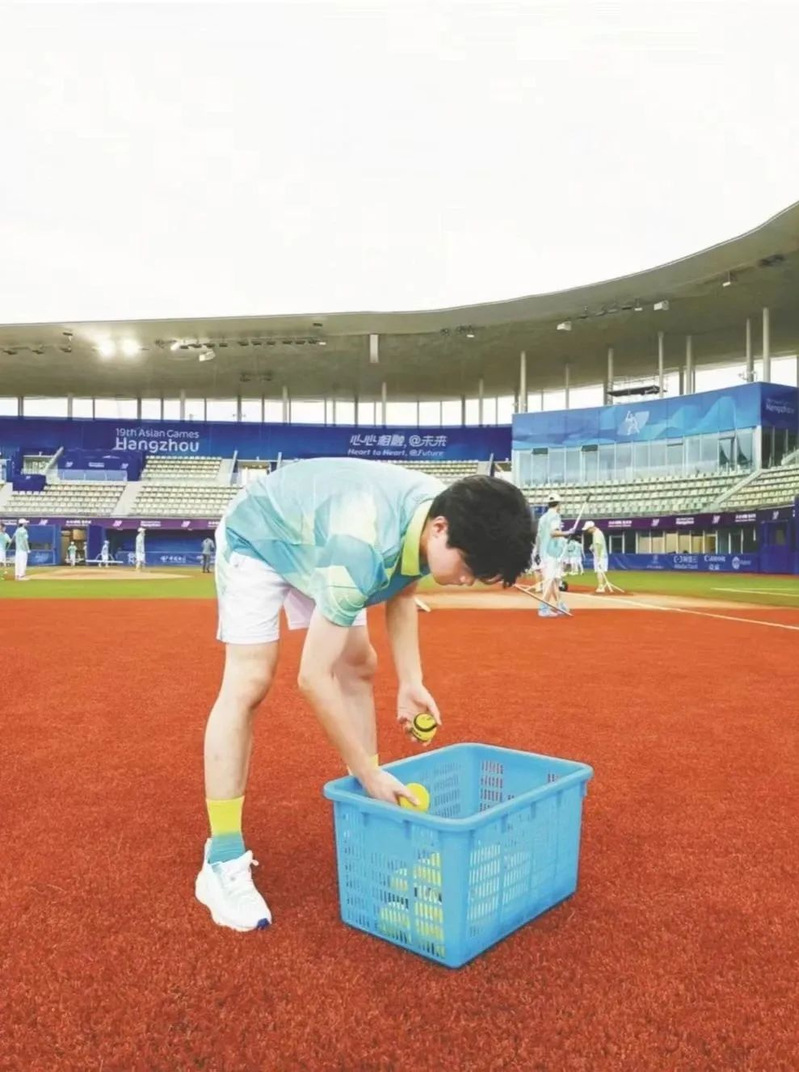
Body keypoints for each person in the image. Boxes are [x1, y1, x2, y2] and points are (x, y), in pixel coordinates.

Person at [195, 458, 535, 932]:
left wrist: (411, 681)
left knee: (359, 663)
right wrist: (369, 773)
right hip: (261, 533)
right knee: (250, 679)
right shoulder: (362, 548)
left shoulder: (445, 512)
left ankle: (368, 819)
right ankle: (222, 859)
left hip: (321, 536)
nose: (467, 581)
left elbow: (403, 586)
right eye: (470, 568)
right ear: (440, 529)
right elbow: (313, 678)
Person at [534, 496, 570, 617]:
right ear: (558, 504)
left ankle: (560, 605)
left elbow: (538, 536)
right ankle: (543, 607)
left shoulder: (543, 518)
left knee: (553, 579)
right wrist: (567, 533)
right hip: (551, 553)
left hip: (544, 553)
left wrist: (537, 552)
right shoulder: (555, 516)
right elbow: (553, 532)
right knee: (549, 580)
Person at [583, 521, 609, 592]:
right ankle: (601, 585)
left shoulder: (597, 533)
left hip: (600, 556)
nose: (588, 531)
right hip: (601, 555)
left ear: (591, 528)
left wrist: (598, 557)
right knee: (600, 570)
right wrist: (592, 546)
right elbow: (597, 544)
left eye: (588, 529)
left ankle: (601, 586)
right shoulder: (597, 533)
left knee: (599, 571)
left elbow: (598, 545)